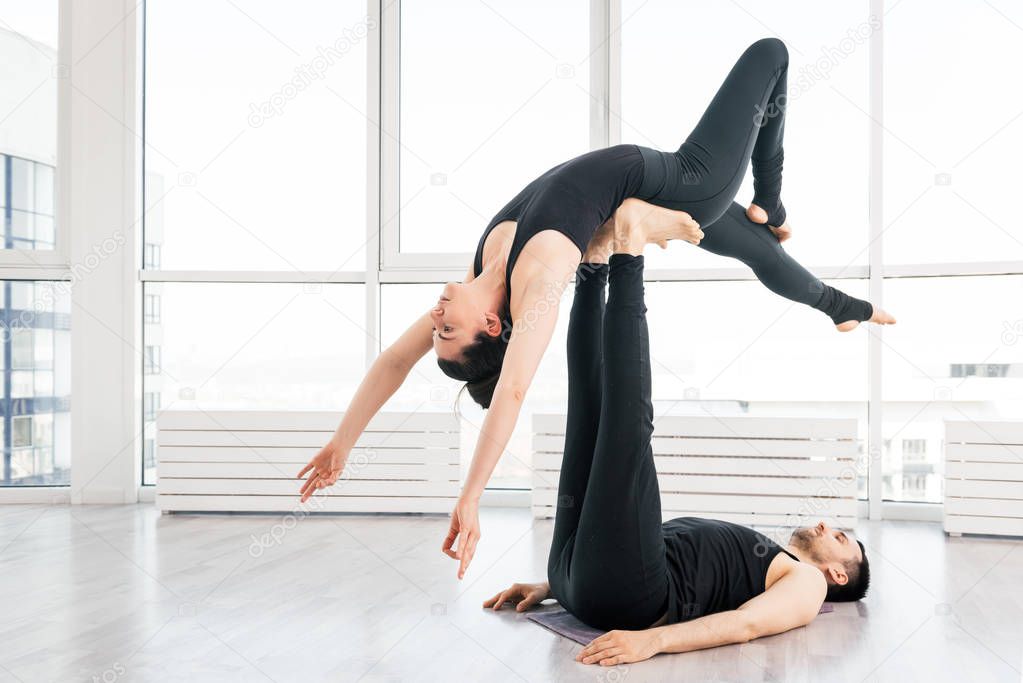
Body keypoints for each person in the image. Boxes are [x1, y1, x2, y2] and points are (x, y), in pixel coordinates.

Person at [297, 38, 894, 579]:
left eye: (437, 328)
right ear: (489, 326)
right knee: (771, 54)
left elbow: (395, 362)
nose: (435, 317)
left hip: (647, 191)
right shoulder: (540, 277)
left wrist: (342, 443)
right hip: (686, 179)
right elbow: (509, 393)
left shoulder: (479, 275)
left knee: (763, 254)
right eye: (446, 327)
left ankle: (842, 306)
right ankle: (772, 199)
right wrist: (472, 494)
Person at [483, 250, 870, 666]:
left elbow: (747, 625)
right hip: (576, 574)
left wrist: (654, 642)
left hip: (628, 597)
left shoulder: (809, 583)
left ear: (839, 574)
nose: (828, 526)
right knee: (588, 409)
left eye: (841, 539)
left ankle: (626, 254)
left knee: (629, 421)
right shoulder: (772, 563)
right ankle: (592, 264)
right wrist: (554, 588)